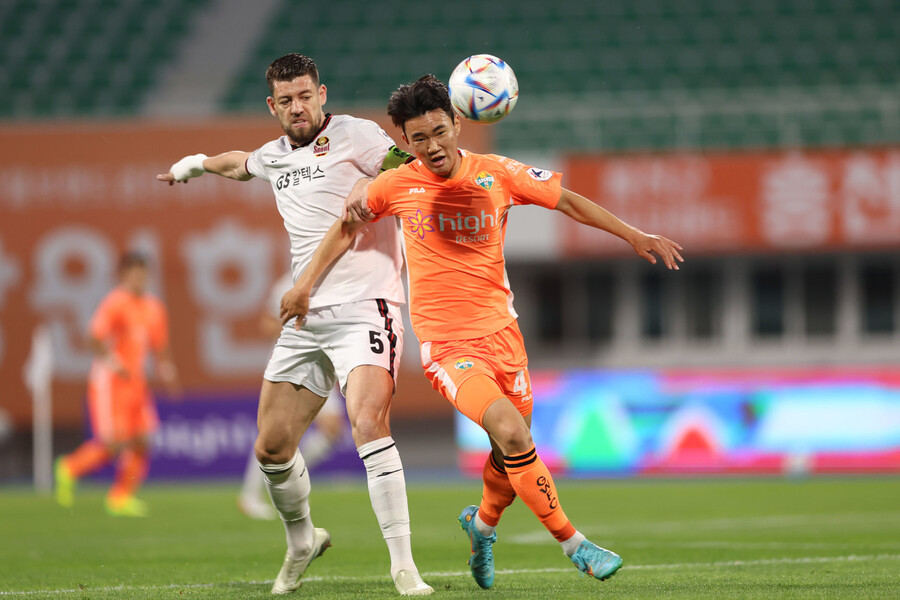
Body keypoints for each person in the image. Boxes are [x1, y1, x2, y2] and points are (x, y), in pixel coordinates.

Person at [285, 74, 685, 589]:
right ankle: (575, 544)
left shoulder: (498, 174)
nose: (431, 146)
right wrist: (306, 284)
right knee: (513, 433)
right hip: (447, 345)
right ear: (403, 142)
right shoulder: (396, 184)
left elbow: (566, 200)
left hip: (504, 336)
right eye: (418, 138)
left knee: (508, 454)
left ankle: (482, 526)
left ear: (457, 124)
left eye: (438, 132)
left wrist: (633, 234)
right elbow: (346, 225)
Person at [155, 54, 432, 596]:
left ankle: (404, 566)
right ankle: (302, 539)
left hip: (364, 305)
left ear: (322, 94)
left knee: (368, 425)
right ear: (272, 106)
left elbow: (408, 166)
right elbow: (240, 164)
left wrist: (375, 186)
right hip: (306, 318)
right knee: (272, 447)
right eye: (286, 101)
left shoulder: (357, 135)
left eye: (305, 96)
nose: (297, 108)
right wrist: (195, 163)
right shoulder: (275, 155)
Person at [55, 252, 179, 517]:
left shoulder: (154, 307)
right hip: (110, 382)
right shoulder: (115, 303)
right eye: (133, 273)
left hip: (137, 383)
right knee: (113, 444)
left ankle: (120, 497)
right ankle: (69, 468)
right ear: (123, 276)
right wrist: (114, 362)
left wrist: (166, 370)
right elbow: (94, 338)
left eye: (142, 273)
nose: (139, 278)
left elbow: (160, 345)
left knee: (143, 440)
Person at [238, 271, 349, 521]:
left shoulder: (332, 278)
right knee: (275, 433)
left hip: (320, 363)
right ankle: (251, 494)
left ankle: (283, 475)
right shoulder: (286, 284)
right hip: (293, 363)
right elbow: (266, 324)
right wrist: (297, 330)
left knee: (331, 430)